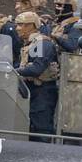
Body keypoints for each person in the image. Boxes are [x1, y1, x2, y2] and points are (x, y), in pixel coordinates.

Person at [13, 11, 59, 139]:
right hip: (31, 90)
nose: (17, 28)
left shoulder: (40, 43)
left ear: (30, 26)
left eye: (20, 25)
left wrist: (14, 71)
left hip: (42, 92)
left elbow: (36, 68)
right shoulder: (29, 44)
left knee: (41, 127)